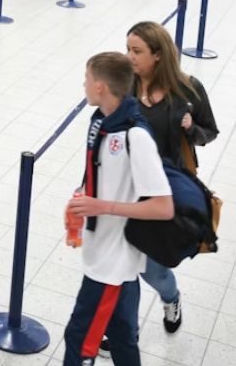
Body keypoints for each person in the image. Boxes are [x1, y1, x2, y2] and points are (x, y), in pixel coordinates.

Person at [62, 52, 174, 366]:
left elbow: (163, 208)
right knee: (123, 337)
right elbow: (100, 174)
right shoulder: (99, 121)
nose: (83, 84)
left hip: (112, 265)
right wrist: (83, 199)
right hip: (105, 255)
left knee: (81, 340)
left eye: (86, 78)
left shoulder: (136, 137)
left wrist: (103, 206)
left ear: (100, 87)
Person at [121, 22, 219, 345]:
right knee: (123, 269)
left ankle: (171, 297)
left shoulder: (188, 90)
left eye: (137, 51)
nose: (129, 57)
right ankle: (126, 331)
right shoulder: (126, 87)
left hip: (166, 195)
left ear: (159, 56)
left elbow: (210, 131)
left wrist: (192, 130)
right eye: (128, 49)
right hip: (127, 189)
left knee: (154, 272)